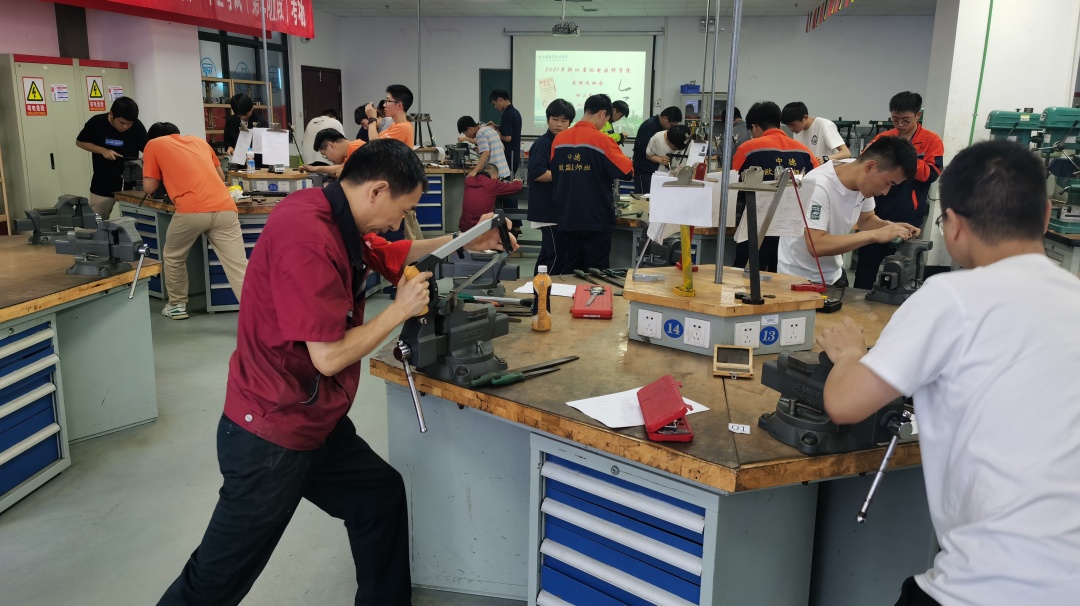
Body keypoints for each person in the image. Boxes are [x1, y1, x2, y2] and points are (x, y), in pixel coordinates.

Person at [157, 139, 517, 605]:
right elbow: (327, 357)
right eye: (401, 210)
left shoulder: (332, 212)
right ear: (377, 190)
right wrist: (399, 310)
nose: (398, 222)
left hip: (313, 416)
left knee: (378, 498)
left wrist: (468, 239)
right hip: (272, 430)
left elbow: (392, 253)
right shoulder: (309, 237)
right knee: (216, 579)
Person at [816, 139, 1080, 606]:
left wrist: (851, 354)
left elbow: (844, 405)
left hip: (989, 588)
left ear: (953, 226)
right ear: (1044, 217)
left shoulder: (950, 297)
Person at [776, 137, 920, 286]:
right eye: (888, 183)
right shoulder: (818, 185)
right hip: (798, 278)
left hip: (833, 274)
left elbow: (866, 220)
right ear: (870, 167)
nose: (885, 192)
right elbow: (816, 245)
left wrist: (891, 227)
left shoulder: (859, 175)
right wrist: (875, 235)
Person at [141, 122, 248, 320]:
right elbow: (220, 176)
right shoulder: (200, 141)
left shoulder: (153, 144)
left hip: (191, 210)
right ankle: (257, 313)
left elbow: (149, 187)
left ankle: (177, 306)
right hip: (225, 207)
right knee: (238, 265)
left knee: (174, 256)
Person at [854, 91, 944, 289]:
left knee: (902, 269)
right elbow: (863, 162)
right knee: (866, 266)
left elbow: (932, 173)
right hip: (876, 211)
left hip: (908, 213)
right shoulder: (884, 138)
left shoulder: (931, 140)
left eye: (905, 120)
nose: (900, 125)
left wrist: (905, 159)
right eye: (895, 120)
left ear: (918, 115)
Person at [731, 101, 819, 272]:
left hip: (754, 230)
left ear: (755, 127)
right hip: (791, 233)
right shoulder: (805, 151)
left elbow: (733, 187)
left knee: (745, 277)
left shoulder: (747, 149)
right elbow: (816, 186)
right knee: (781, 278)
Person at [551, 94, 634, 272]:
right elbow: (627, 171)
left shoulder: (559, 139)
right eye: (607, 120)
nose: (605, 124)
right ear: (603, 113)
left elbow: (556, 172)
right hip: (595, 218)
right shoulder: (603, 140)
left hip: (566, 216)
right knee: (596, 273)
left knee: (570, 269)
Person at [75, 96, 147, 218]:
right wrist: (103, 150)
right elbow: (80, 142)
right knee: (96, 220)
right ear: (111, 114)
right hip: (103, 181)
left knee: (134, 219)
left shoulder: (137, 126)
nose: (125, 127)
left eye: (129, 124)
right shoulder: (97, 122)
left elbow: (148, 148)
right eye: (122, 123)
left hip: (131, 183)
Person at [527, 99, 575, 274]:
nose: (559, 124)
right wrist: (569, 174)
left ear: (570, 123)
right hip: (547, 209)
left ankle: (536, 287)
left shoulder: (565, 142)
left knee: (547, 255)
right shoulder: (543, 143)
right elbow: (537, 173)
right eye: (555, 119)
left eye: (564, 120)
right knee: (557, 255)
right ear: (548, 120)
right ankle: (550, 287)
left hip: (558, 208)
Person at [631, 106, 682, 194]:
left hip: (655, 170)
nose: (671, 129)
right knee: (644, 197)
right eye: (672, 125)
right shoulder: (649, 127)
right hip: (644, 170)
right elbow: (641, 152)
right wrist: (659, 159)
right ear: (665, 119)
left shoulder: (660, 126)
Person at [781, 102, 852, 164]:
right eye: (788, 125)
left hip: (829, 170)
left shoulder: (825, 125)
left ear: (805, 118)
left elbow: (846, 153)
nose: (791, 129)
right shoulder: (797, 132)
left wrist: (825, 158)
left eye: (792, 125)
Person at [460, 163, 523, 231]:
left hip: (464, 228)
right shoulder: (493, 184)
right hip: (482, 228)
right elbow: (517, 186)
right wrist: (516, 181)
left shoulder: (468, 181)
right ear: (495, 176)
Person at [490, 89, 522, 174]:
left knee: (506, 180)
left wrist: (497, 134)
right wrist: (496, 126)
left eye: (494, 104)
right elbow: (511, 129)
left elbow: (507, 138)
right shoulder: (515, 112)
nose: (495, 107)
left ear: (500, 100)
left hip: (508, 157)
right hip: (515, 155)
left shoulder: (507, 115)